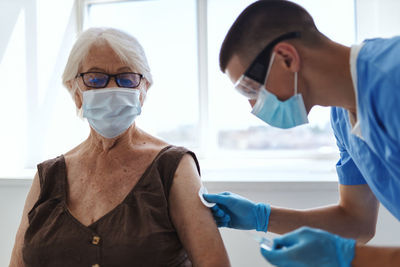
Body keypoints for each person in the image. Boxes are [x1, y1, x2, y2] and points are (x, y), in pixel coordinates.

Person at [9, 27, 230, 267]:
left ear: (144, 89)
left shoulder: (173, 168)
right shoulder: (47, 177)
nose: (112, 89)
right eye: (95, 78)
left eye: (126, 78)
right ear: (74, 90)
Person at [203, 0, 400, 266]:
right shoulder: (343, 118)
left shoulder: (393, 78)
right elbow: (357, 221)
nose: (253, 106)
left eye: (250, 90)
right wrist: (261, 216)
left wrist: (350, 258)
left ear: (287, 58)